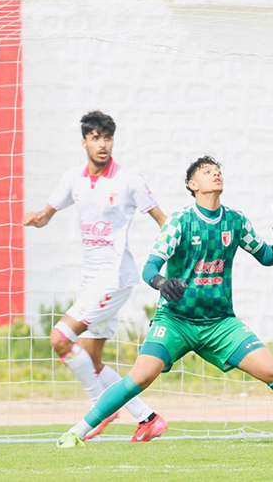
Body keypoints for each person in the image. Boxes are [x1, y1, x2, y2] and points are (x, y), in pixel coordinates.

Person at [56, 156, 273, 447]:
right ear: (192, 184)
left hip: (220, 323)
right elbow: (149, 269)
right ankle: (77, 431)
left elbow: (265, 257)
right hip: (176, 320)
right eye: (207, 171)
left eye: (218, 171)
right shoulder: (180, 221)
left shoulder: (235, 221)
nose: (215, 174)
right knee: (140, 377)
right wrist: (163, 283)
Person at [24, 110, 166, 441]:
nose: (102, 145)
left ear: (113, 140)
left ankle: (99, 407)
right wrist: (35, 218)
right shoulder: (72, 178)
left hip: (115, 278)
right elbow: (47, 215)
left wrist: (176, 254)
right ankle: (148, 418)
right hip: (91, 279)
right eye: (95, 138)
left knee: (60, 338)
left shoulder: (129, 179)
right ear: (85, 141)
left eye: (107, 137)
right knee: (90, 359)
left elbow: (163, 220)